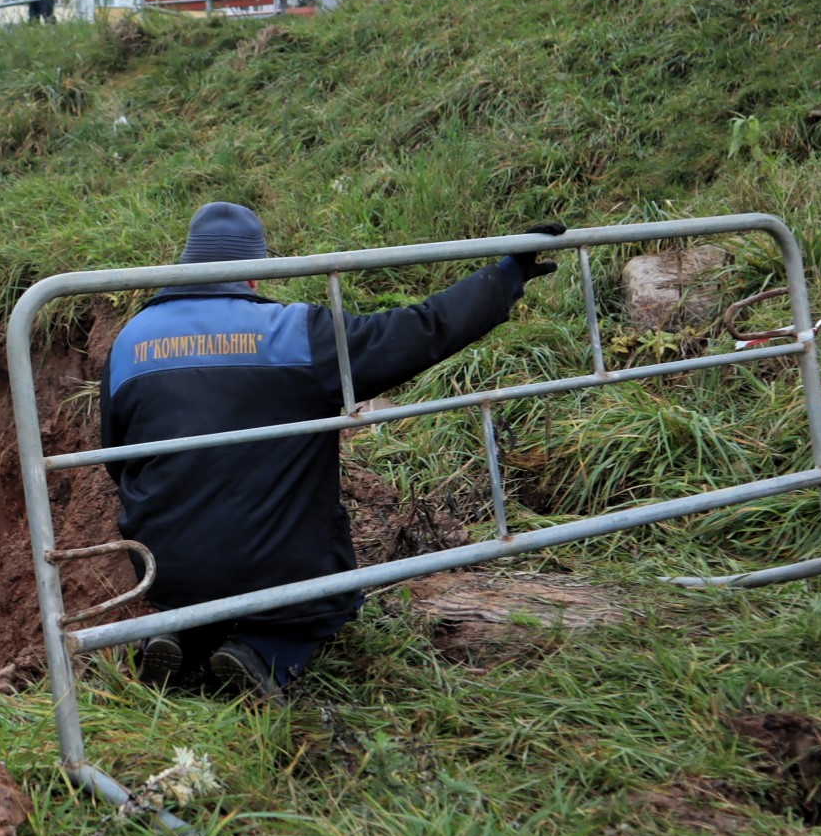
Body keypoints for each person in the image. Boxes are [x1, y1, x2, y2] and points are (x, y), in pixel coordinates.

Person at [99, 203, 566, 699]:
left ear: (185, 265)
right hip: (277, 565)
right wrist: (505, 273)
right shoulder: (297, 334)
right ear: (255, 275)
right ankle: (263, 649)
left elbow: (116, 461)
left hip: (164, 566)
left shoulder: (130, 341)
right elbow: (420, 330)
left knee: (199, 563)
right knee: (331, 593)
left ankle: (173, 631)